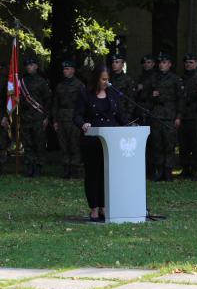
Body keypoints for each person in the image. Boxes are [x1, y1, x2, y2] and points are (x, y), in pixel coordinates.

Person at [73, 65, 127, 222]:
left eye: (108, 79)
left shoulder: (113, 94)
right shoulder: (85, 94)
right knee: (93, 174)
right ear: (96, 79)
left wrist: (130, 127)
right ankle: (94, 208)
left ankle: (105, 206)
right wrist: (83, 124)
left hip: (111, 142)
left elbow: (120, 116)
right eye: (103, 79)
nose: (106, 82)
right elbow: (76, 116)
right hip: (91, 141)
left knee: (107, 175)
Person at [146, 53, 183, 181]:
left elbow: (180, 99)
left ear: (170, 64)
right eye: (160, 62)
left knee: (169, 145)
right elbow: (145, 97)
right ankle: (159, 171)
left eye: (165, 62)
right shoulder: (153, 78)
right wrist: (152, 95)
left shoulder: (175, 79)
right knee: (157, 144)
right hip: (156, 115)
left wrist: (178, 116)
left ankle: (168, 172)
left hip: (170, 116)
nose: (162, 65)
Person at [52, 60, 85, 178]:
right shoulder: (60, 86)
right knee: (63, 144)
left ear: (73, 70)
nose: (64, 71)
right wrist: (55, 120)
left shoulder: (79, 85)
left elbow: (83, 104)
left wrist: (81, 120)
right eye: (64, 69)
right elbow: (55, 104)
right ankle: (66, 168)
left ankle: (75, 168)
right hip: (61, 117)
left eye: (67, 69)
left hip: (74, 118)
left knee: (74, 144)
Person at [19, 58, 51, 177]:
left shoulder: (42, 82)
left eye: (31, 65)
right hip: (25, 116)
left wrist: (47, 116)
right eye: (27, 65)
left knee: (39, 143)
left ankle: (38, 167)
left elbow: (47, 100)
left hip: (38, 116)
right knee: (27, 143)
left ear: (36, 66)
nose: (28, 67)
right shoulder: (21, 82)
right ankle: (29, 166)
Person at [179, 53, 197, 178]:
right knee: (183, 144)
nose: (188, 64)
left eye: (191, 62)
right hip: (183, 115)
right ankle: (185, 168)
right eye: (186, 62)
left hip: (196, 115)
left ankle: (196, 168)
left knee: (196, 143)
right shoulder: (180, 79)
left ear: (196, 64)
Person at [109, 53, 136, 121]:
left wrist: (128, 115)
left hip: (122, 112)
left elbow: (131, 99)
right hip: (109, 112)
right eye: (113, 62)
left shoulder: (128, 80)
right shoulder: (109, 78)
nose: (114, 64)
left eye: (117, 62)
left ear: (122, 64)